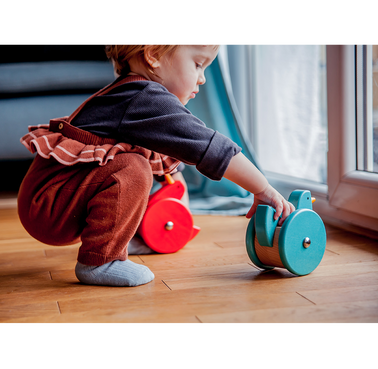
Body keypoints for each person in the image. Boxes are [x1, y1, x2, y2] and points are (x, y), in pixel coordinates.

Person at [18, 42, 295, 287]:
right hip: (49, 204)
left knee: (148, 165)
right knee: (133, 168)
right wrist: (263, 188)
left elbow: (171, 161)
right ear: (153, 55)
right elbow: (210, 146)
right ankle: (100, 260)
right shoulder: (143, 98)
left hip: (53, 198)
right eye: (198, 64)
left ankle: (125, 238)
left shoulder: (130, 95)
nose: (202, 79)